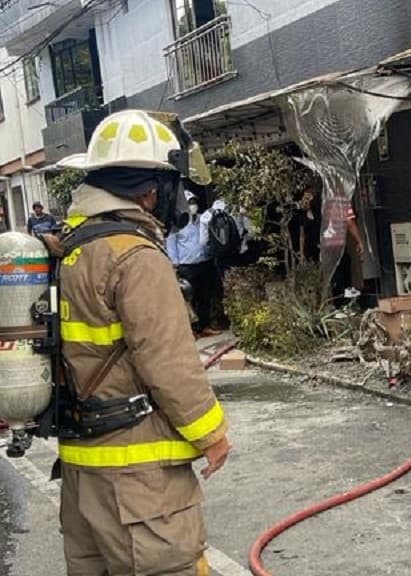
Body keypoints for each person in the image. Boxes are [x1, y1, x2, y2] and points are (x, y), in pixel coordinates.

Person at [53, 109, 231, 576]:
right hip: (140, 489)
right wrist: (211, 434)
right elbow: (169, 361)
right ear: (152, 189)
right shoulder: (134, 256)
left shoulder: (71, 249)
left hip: (81, 477)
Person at [168, 193, 220, 338]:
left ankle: (204, 326)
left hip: (203, 262)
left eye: (194, 202)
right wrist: (174, 265)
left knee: (204, 297)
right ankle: (191, 330)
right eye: (189, 202)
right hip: (186, 266)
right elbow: (171, 244)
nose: (193, 205)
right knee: (189, 300)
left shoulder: (202, 219)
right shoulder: (178, 224)